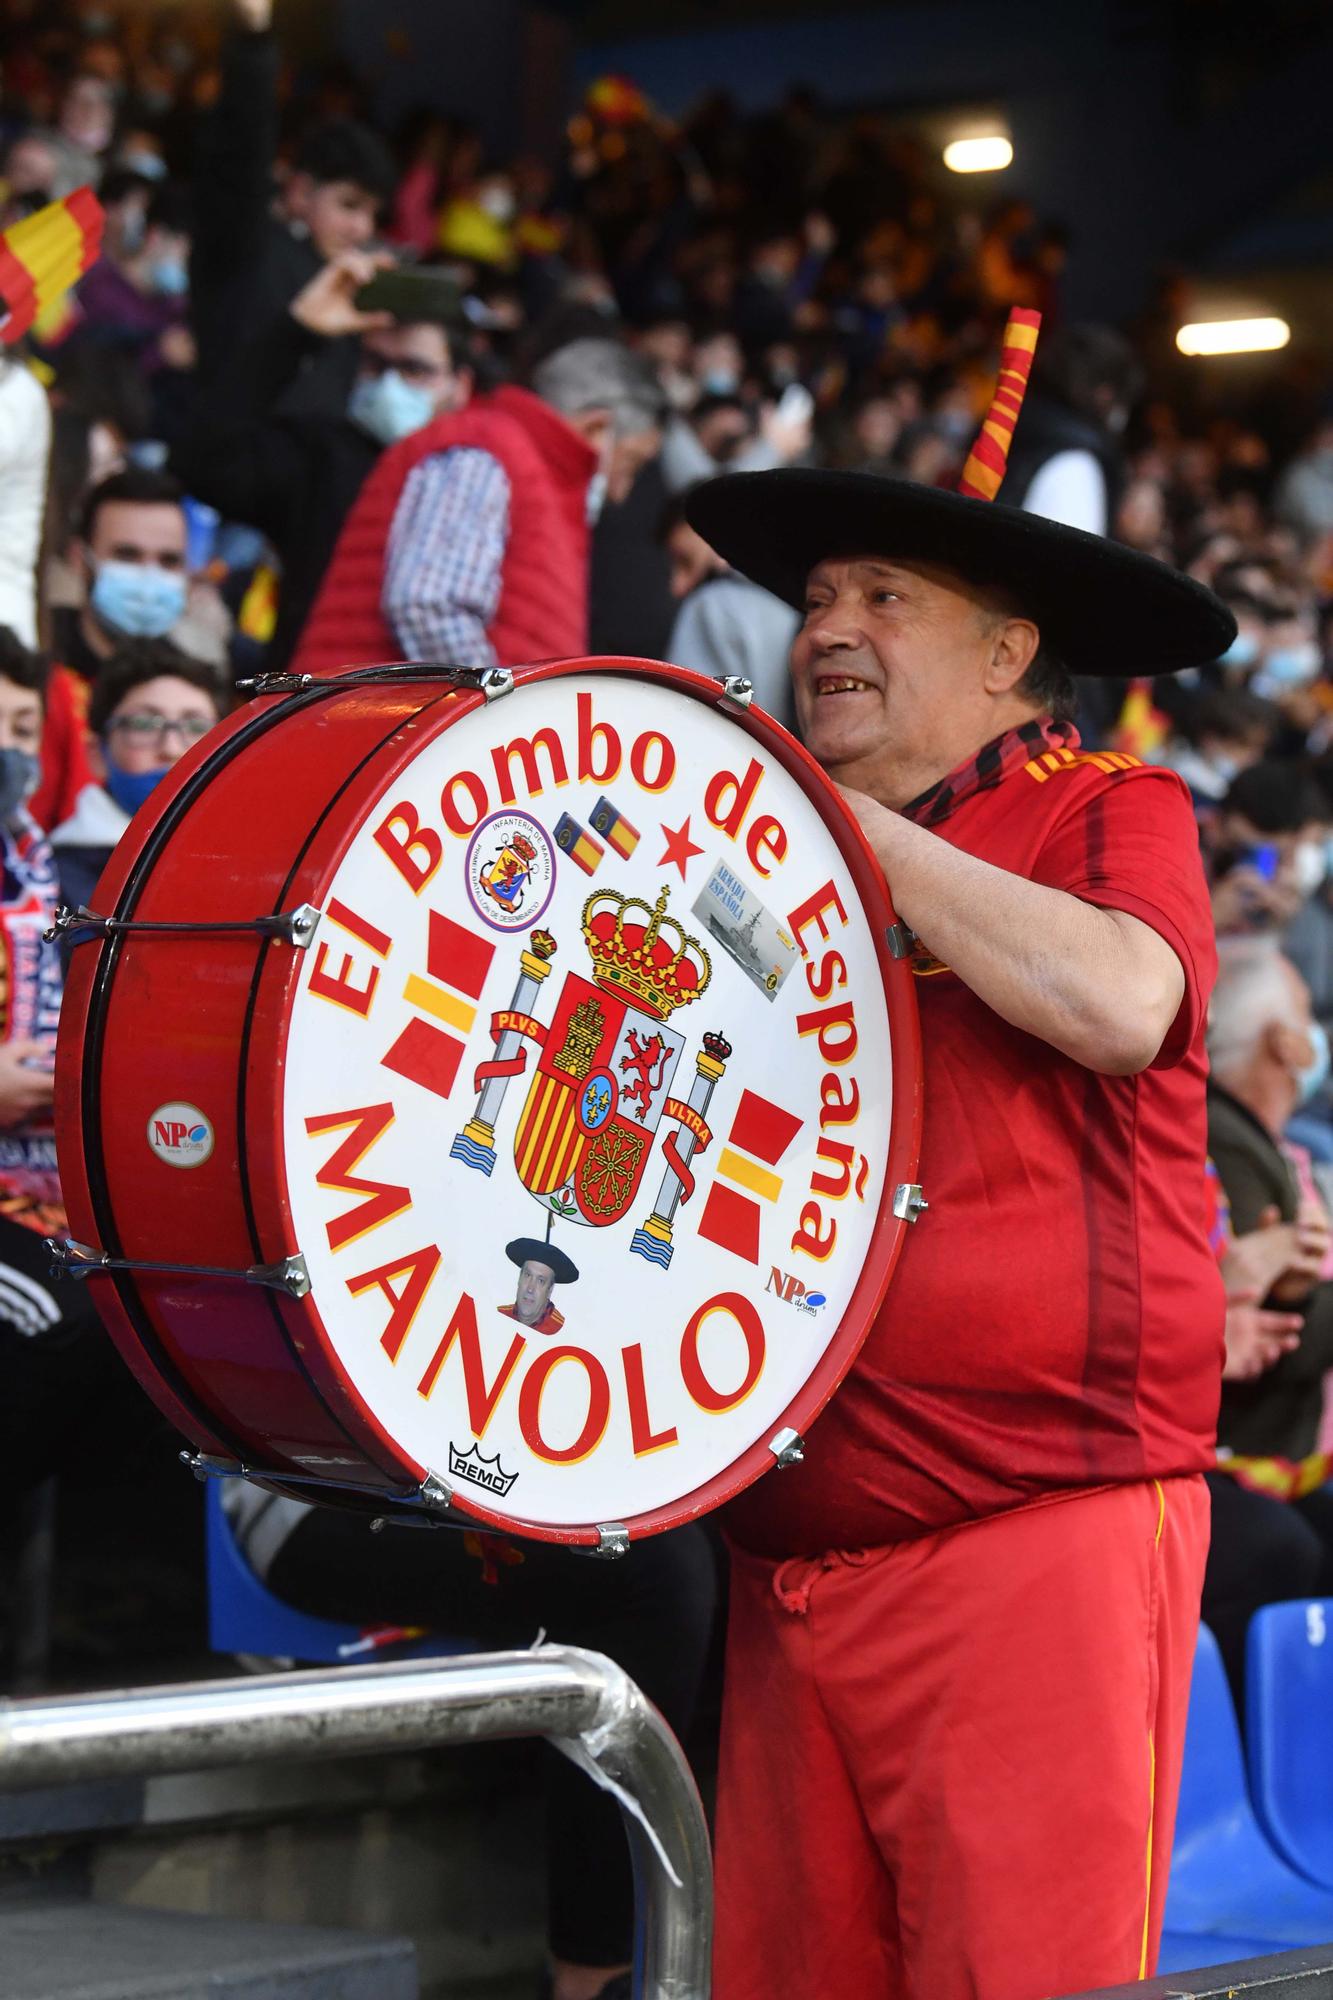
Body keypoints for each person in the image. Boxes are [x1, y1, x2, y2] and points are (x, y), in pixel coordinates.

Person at [683, 418, 1235, 1995]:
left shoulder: (1108, 807)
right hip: (787, 1555)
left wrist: (855, 833)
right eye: (816, 601)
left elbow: (1125, 1001)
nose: (830, 629)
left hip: (1029, 1542)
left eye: (883, 597)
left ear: (1009, 655)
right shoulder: (764, 862)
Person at [291, 336, 664, 676]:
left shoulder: (523, 468)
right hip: (374, 734)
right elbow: (429, 605)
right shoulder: (485, 449)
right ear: (596, 428)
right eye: (630, 464)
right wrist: (505, 721)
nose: (622, 492)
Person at [172, 250, 475, 669]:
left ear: (460, 385)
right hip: (317, 704)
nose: (390, 384)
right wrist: (297, 329)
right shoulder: (321, 456)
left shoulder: (487, 478)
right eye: (375, 364)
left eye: (414, 369)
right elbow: (204, 460)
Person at [1203, 937, 1333, 1699]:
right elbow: (1268, 1336)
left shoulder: (1254, 1141)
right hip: (1225, 1451)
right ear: (1284, 1042)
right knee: (1279, 1550)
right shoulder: (1224, 1137)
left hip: (1261, 1449)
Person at [189, 0, 396, 419]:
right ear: (301, 192)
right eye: (349, 205)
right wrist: (253, 39)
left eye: (373, 213)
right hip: (223, 469)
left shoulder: (353, 288)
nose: (362, 228)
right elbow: (239, 157)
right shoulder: (247, 248)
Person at [49, 639, 226, 921]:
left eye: (195, 726)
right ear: (96, 753)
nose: (172, 749)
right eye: (144, 725)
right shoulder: (53, 879)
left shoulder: (250, 864)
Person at [659, 490, 799, 731]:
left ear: (721, 545)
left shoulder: (712, 605)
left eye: (685, 560)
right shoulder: (806, 602)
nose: (677, 586)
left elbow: (686, 725)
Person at [498, 1235, 578, 1336]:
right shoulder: (498, 1316)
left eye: (541, 1281)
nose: (530, 1289)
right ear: (519, 1278)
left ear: (550, 1290)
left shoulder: (563, 1334)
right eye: (527, 1275)